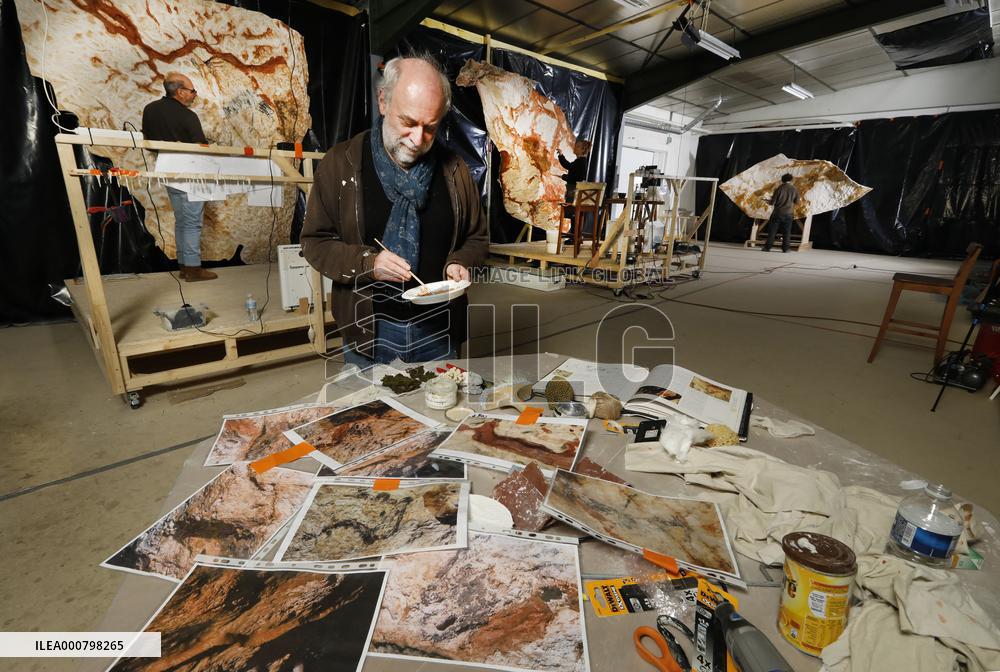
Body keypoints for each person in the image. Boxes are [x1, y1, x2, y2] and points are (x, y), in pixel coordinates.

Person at [301, 55, 488, 367]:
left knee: (444, 400)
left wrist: (460, 262)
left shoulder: (455, 170)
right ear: (383, 101)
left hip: (439, 330)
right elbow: (315, 243)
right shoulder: (340, 163)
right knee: (371, 402)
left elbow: (477, 239)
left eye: (430, 127)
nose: (418, 139)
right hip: (371, 331)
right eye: (408, 123)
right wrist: (368, 264)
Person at [142, 72, 216, 281]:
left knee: (182, 220)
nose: (194, 95)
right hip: (189, 172)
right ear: (180, 92)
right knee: (192, 222)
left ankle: (184, 266)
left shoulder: (150, 109)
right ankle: (193, 269)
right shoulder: (187, 115)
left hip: (166, 169)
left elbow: (149, 142)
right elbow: (200, 146)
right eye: (192, 91)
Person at [762, 173, 800, 253]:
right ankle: (786, 249)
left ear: (782, 180)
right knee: (787, 232)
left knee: (772, 231)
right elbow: (797, 202)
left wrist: (766, 201)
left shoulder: (779, 188)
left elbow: (772, 202)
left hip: (777, 213)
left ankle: (767, 247)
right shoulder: (794, 189)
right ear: (791, 180)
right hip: (789, 214)